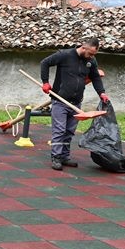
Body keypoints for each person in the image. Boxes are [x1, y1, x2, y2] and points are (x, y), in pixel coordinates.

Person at [38, 38, 109, 170]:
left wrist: (102, 93)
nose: (92, 57)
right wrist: (45, 82)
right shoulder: (65, 55)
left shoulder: (91, 61)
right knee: (59, 130)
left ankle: (64, 156)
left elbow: (95, 78)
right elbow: (45, 63)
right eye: (90, 54)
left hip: (76, 102)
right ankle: (56, 157)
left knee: (69, 131)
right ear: (83, 47)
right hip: (60, 100)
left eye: (94, 55)